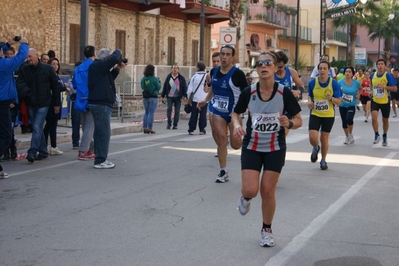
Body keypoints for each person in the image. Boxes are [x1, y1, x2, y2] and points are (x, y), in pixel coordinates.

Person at [232, 51, 302, 247]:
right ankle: (246, 197)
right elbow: (235, 113)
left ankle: (266, 229)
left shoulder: (283, 92)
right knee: (251, 189)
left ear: (274, 67)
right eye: (260, 63)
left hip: (275, 147)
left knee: (267, 190)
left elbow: (299, 120)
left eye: (268, 63)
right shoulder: (249, 92)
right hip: (252, 146)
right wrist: (237, 125)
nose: (263, 66)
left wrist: (288, 122)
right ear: (256, 69)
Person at [197, 45, 248, 183]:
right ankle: (223, 171)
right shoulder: (213, 72)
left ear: (232, 57)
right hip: (218, 111)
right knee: (220, 140)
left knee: (236, 144)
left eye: (227, 54)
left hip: (234, 113)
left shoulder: (238, 74)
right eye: (222, 54)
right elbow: (214, 88)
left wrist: (247, 109)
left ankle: (239, 140)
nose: (224, 57)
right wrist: (205, 100)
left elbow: (246, 93)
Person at [17, 48, 61, 163]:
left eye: (30, 56)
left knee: (36, 126)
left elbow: (55, 87)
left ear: (36, 56)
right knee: (38, 127)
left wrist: (56, 103)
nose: (29, 59)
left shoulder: (47, 69)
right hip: (31, 103)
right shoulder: (25, 69)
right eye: (28, 57)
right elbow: (20, 83)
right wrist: (27, 92)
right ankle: (43, 151)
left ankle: (32, 151)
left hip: (44, 103)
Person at [87, 48, 125, 169]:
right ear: (105, 58)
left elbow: (108, 79)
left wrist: (118, 68)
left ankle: (100, 158)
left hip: (100, 104)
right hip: (101, 104)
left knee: (100, 132)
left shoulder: (99, 69)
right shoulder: (97, 65)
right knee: (103, 133)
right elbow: (113, 58)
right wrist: (118, 51)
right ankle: (100, 160)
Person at [0, 37, 29, 178]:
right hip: (2, 104)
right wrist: (24, 43)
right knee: (6, 136)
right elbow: (21, 57)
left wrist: (7, 44)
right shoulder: (4, 65)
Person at [307, 60, 342, 170]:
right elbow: (309, 95)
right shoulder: (313, 83)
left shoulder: (334, 84)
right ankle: (315, 147)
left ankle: (323, 160)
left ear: (329, 70)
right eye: (320, 68)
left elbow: (339, 101)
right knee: (313, 137)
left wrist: (331, 98)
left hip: (328, 115)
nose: (322, 70)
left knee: (324, 138)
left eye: (324, 68)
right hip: (315, 113)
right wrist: (309, 102)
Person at [73, 46, 96, 160]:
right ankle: (83, 150)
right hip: (91, 99)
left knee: (85, 126)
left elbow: (75, 85)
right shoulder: (94, 66)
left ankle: (91, 149)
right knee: (90, 127)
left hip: (80, 99)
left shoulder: (78, 69)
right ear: (94, 53)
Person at [370, 59, 397, 146]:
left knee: (385, 121)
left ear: (385, 66)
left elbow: (394, 88)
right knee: (374, 118)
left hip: (385, 101)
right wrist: (371, 91)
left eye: (382, 64)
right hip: (375, 100)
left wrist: (384, 87)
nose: (380, 66)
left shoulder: (388, 76)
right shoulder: (372, 75)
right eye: (378, 64)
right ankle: (376, 134)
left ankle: (384, 135)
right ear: (376, 66)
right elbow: (372, 84)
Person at [44, 57, 67, 155]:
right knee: (50, 126)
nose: (55, 66)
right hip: (51, 103)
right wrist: (63, 87)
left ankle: (50, 145)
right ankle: (51, 146)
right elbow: (54, 89)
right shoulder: (49, 76)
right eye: (53, 64)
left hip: (55, 102)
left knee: (51, 125)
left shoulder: (56, 76)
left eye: (57, 64)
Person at [338, 67, 361, 145]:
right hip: (342, 104)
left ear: (352, 74)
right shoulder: (340, 82)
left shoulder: (356, 83)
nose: (347, 73)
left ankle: (350, 134)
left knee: (349, 119)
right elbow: (336, 91)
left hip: (351, 104)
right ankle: (347, 136)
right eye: (346, 71)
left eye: (349, 72)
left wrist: (358, 95)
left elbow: (361, 89)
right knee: (344, 122)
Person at [205, 52, 222, 157]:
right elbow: (207, 87)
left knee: (222, 127)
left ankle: (223, 142)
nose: (216, 63)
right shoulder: (210, 73)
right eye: (214, 61)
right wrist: (206, 88)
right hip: (213, 102)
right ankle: (220, 146)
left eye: (217, 61)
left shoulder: (229, 73)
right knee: (213, 127)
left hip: (225, 103)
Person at [161, 63, 187, 130]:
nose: (175, 70)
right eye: (173, 68)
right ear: (171, 69)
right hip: (170, 96)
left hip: (178, 97)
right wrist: (162, 95)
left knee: (177, 111)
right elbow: (165, 86)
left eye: (176, 68)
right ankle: (169, 123)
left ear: (178, 69)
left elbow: (184, 87)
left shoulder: (181, 78)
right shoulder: (169, 77)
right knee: (169, 109)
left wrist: (185, 96)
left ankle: (175, 124)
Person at [186, 61, 208, 135]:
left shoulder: (194, 77)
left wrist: (189, 98)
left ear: (197, 68)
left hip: (195, 99)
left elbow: (190, 89)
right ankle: (202, 129)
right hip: (204, 99)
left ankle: (191, 129)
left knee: (194, 114)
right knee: (203, 115)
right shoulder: (207, 76)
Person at [141, 64, 161, 134]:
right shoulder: (154, 78)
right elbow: (158, 87)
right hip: (153, 97)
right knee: (151, 112)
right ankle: (149, 127)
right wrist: (159, 82)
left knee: (146, 112)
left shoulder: (143, 78)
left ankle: (144, 127)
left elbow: (142, 87)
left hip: (145, 97)